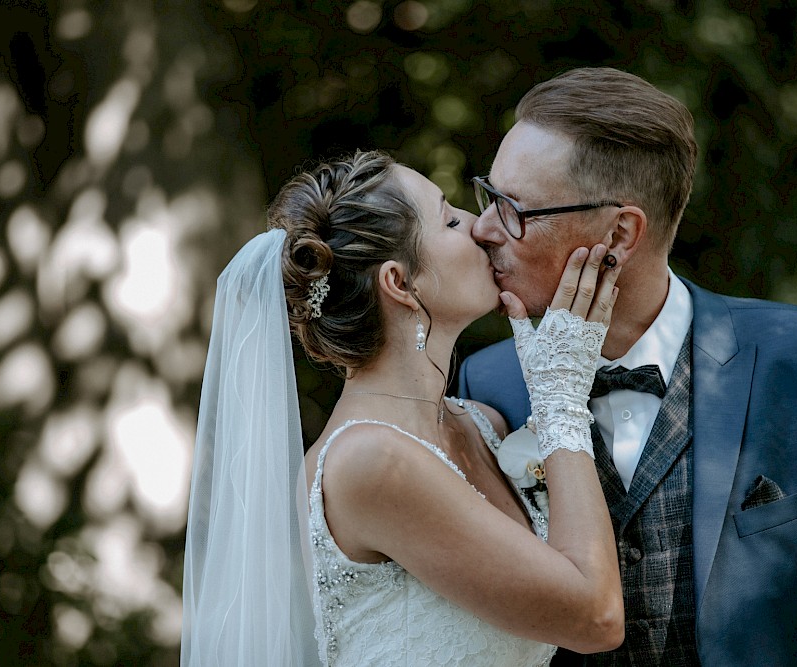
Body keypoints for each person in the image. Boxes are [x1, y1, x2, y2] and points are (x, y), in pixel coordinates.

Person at [458, 66, 797, 666]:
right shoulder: (484, 386)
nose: (483, 228)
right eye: (487, 196)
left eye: (515, 208)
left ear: (620, 234)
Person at [181, 150, 625, 666]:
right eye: (450, 218)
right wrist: (561, 401)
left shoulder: (482, 425)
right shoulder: (369, 463)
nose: (480, 225)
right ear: (400, 283)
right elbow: (595, 617)